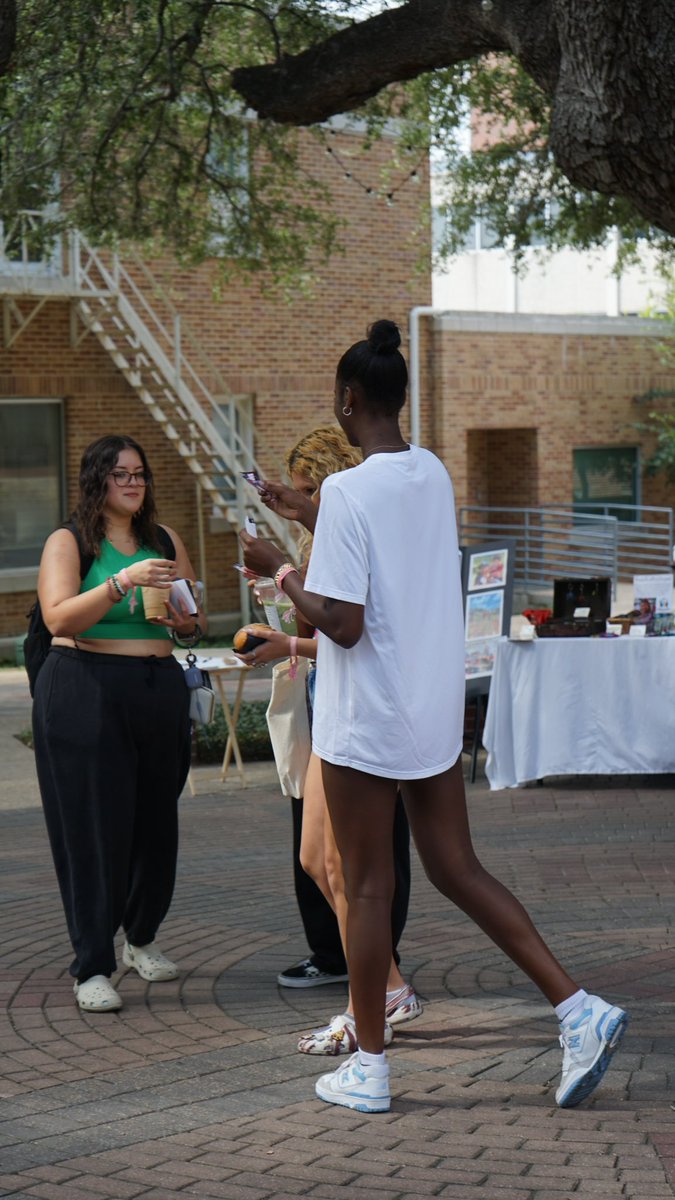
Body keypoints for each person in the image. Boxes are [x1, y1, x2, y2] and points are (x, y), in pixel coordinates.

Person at [241, 320, 629, 1113]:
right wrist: (307, 513)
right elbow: (383, 550)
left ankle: (370, 1070)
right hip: (427, 711)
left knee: (368, 887)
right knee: (458, 869)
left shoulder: (350, 488)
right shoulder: (429, 474)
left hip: (365, 719)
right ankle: (577, 1008)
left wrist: (278, 571)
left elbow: (342, 624)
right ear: (399, 400)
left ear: (347, 402)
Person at [237, 425, 421, 1054]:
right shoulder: (332, 524)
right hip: (332, 704)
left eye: (311, 487)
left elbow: (351, 631)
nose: (302, 498)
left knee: (349, 862)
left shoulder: (356, 521)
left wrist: (285, 605)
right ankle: (388, 988)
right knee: (318, 858)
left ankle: (364, 1006)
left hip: (357, 708)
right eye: (297, 490)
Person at [32, 434, 206, 1013]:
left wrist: (185, 618)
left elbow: (189, 623)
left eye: (140, 474)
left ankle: (141, 938)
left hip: (157, 691)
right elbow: (60, 616)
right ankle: (91, 965)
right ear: (98, 480)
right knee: (93, 831)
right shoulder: (70, 541)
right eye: (120, 474)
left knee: (156, 826)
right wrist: (121, 582)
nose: (133, 483)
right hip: (86, 686)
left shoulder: (163, 540)